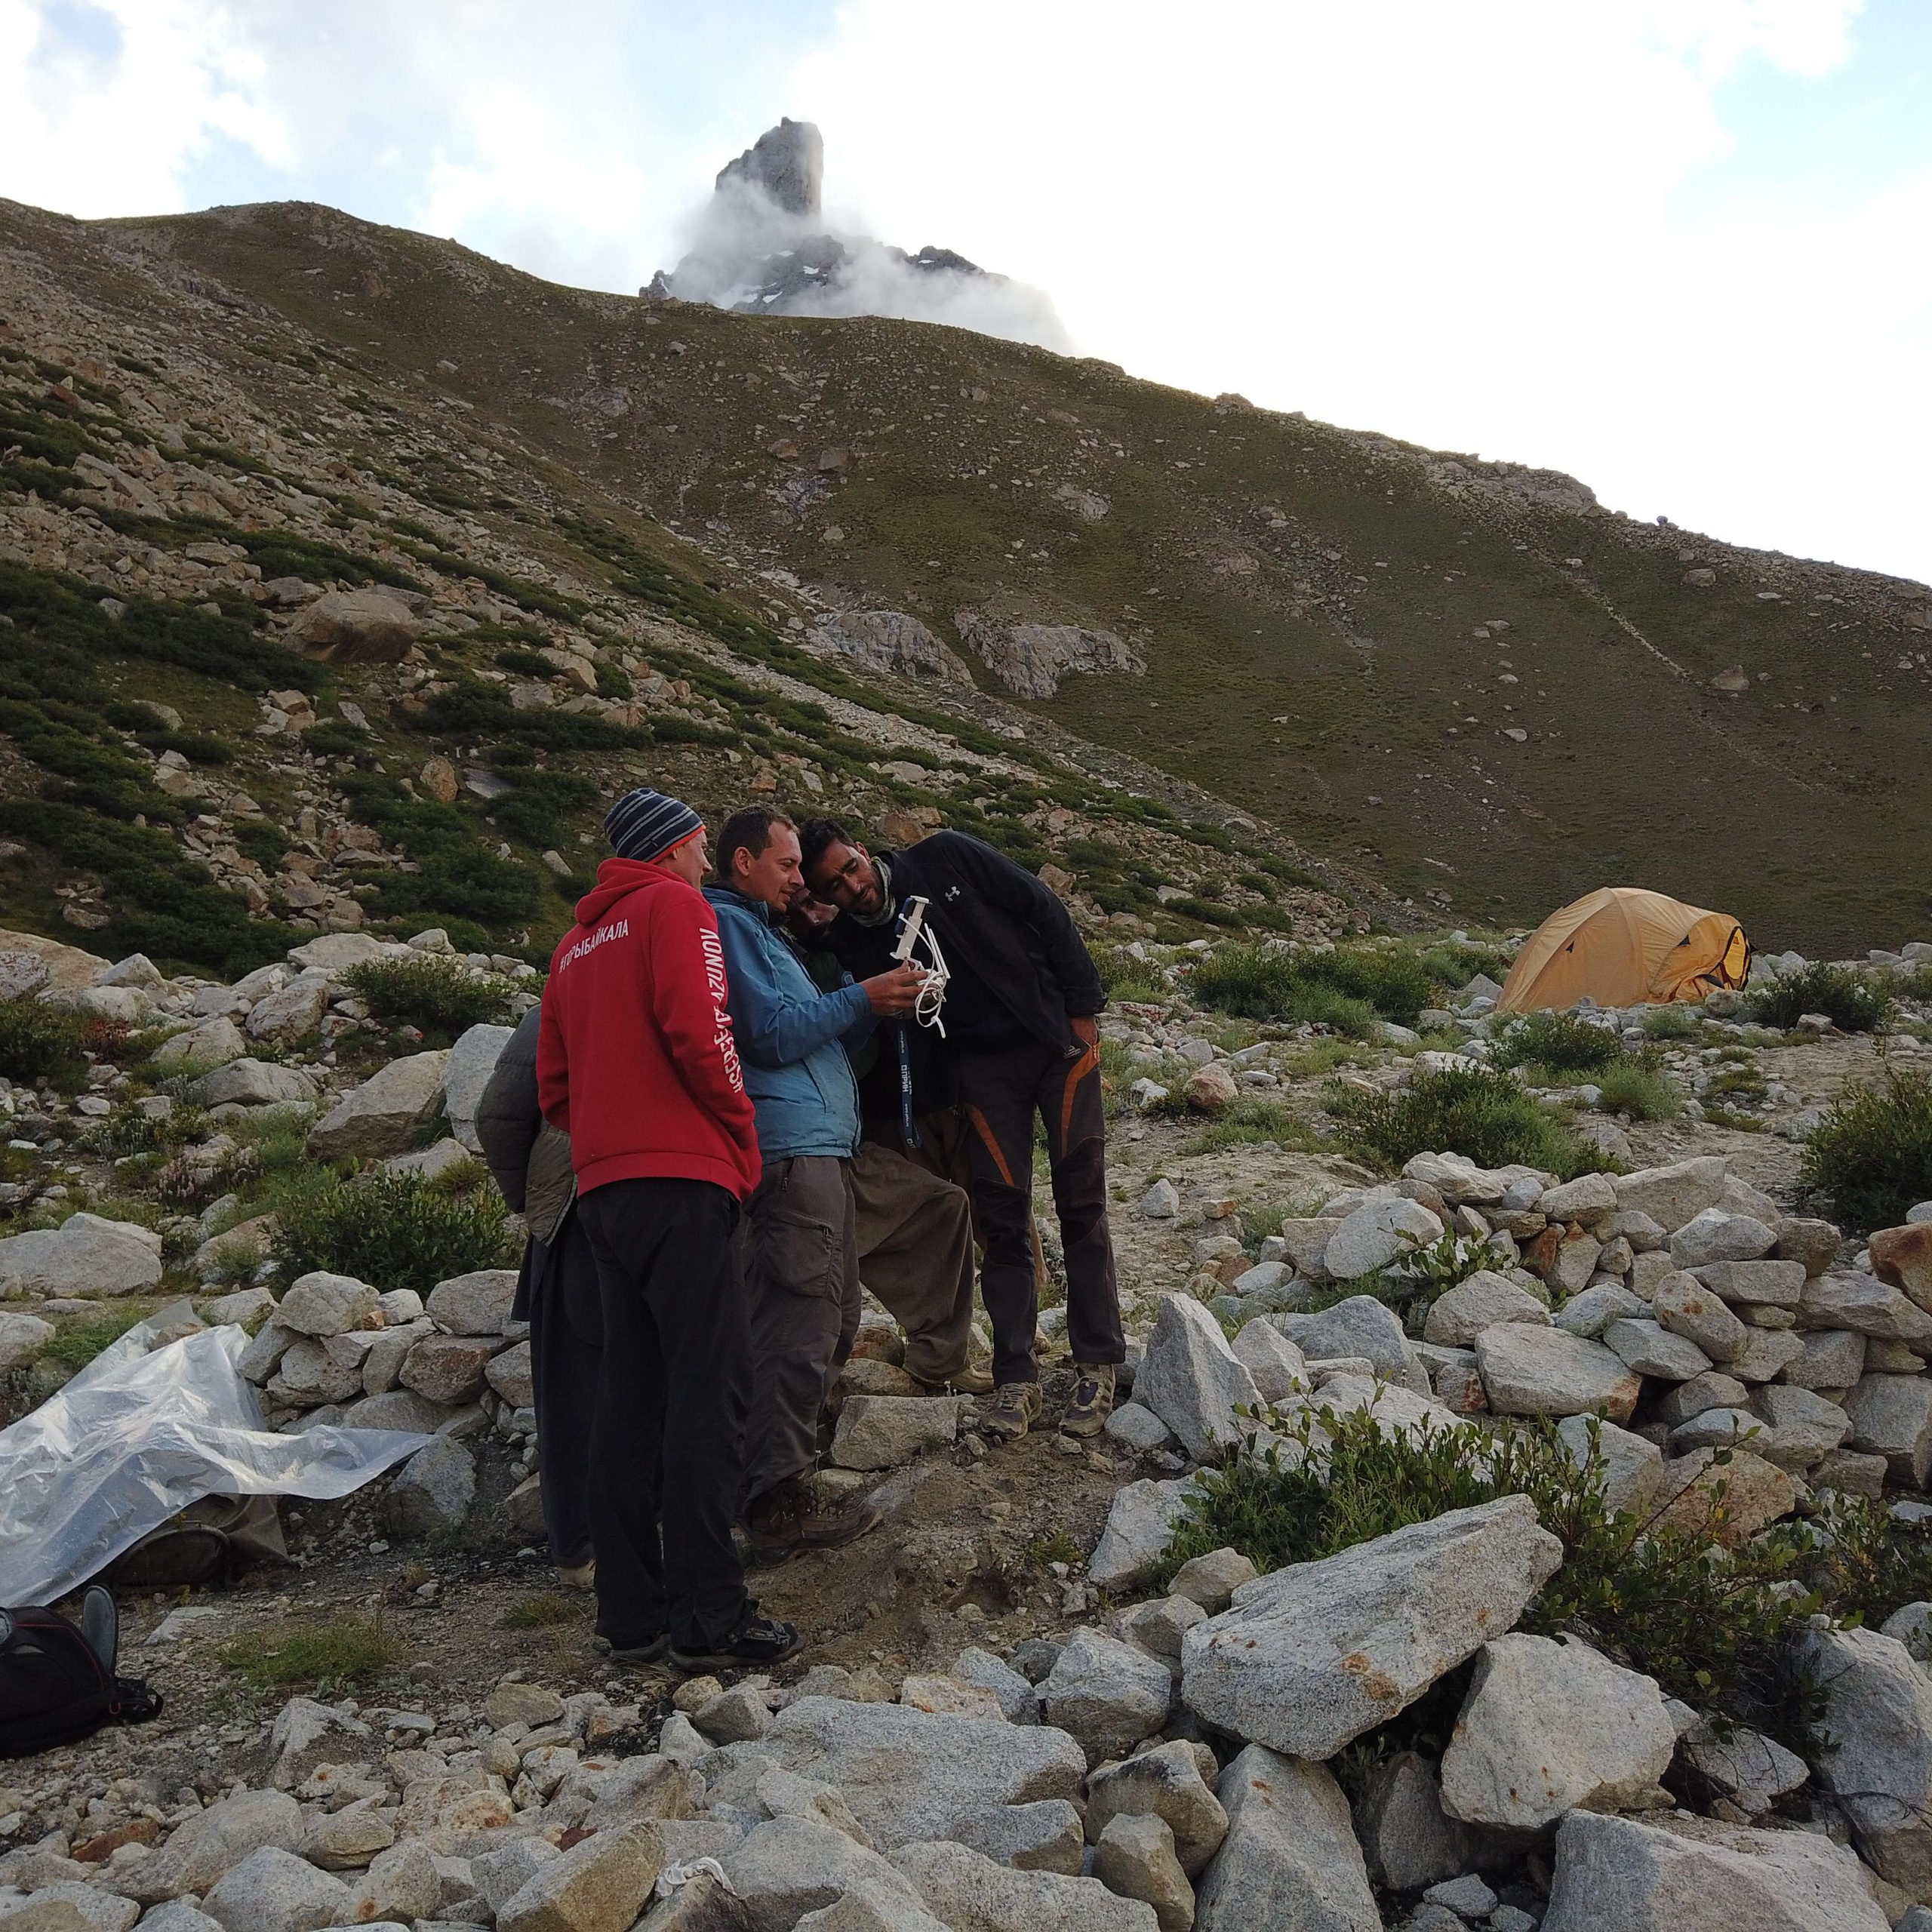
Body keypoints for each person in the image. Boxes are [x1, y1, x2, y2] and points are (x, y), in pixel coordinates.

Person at [537, 786, 797, 1672]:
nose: (699, 860)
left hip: (604, 1190)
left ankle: (630, 1614)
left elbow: (554, 1085)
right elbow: (704, 1035)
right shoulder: (676, 910)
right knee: (708, 1389)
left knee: (631, 1394)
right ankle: (709, 1617)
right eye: (694, 845)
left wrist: (611, 1140)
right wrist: (738, 1137)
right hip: (683, 1179)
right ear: (676, 848)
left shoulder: (574, 945)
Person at [799, 819, 1124, 1442]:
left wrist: (1083, 1010)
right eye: (833, 885)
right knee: (1000, 1214)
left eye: (851, 868)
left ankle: (1098, 1362)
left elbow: (1041, 905)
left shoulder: (945, 857)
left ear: (864, 851)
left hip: (1055, 1040)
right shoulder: (854, 943)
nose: (851, 886)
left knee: (1081, 1198)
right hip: (981, 1073)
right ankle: (1016, 1378)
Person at [703, 807, 927, 1564]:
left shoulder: (763, 930)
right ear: (743, 862)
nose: (802, 880)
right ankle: (773, 1504)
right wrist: (864, 996)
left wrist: (878, 1005)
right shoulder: (730, 927)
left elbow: (812, 1032)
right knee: (797, 1326)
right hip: (790, 1151)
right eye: (789, 864)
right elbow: (768, 1034)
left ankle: (782, 1482)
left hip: (818, 1147)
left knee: (830, 1319)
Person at [786, 891, 990, 1394]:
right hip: (796, 1145)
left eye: (822, 900)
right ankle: (797, 1407)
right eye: (802, 902)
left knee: (941, 1207)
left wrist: (885, 1009)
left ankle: (938, 1359)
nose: (816, 914)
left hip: (845, 1137)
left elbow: (844, 1052)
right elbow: (783, 1036)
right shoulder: (773, 953)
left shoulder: (839, 956)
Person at [474, 1004, 599, 1589]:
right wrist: (534, 1203)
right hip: (593, 1210)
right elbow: (498, 1115)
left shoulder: (564, 991)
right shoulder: (558, 1003)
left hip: (572, 1208)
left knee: (573, 1385)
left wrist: (534, 1203)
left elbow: (501, 1114)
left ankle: (581, 1544)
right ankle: (589, 1543)